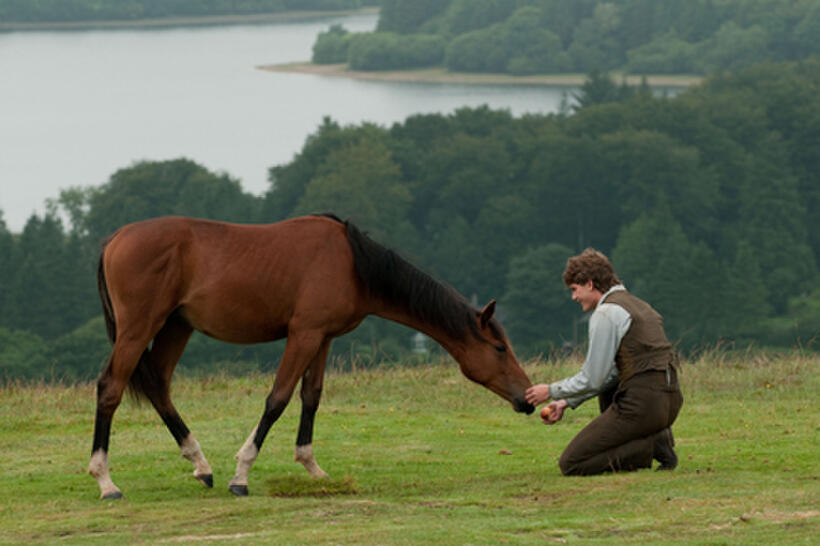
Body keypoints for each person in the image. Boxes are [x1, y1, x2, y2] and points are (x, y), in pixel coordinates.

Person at [525, 248, 683, 475]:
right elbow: (612, 374)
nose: (574, 297)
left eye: (575, 289)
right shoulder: (639, 305)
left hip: (642, 406)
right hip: (669, 403)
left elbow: (593, 378)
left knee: (572, 463)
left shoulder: (606, 313)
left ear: (590, 284)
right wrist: (566, 402)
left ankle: (652, 445)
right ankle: (655, 437)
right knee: (608, 391)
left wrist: (550, 391)